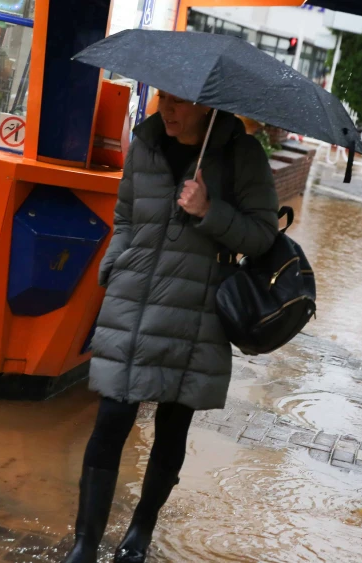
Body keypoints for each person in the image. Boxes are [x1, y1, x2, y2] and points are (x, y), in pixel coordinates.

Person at [63, 92, 279, 563]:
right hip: (133, 298)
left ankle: (140, 529)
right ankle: (85, 544)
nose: (167, 109)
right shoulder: (145, 143)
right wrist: (115, 264)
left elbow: (263, 236)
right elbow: (125, 215)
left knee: (171, 426)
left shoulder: (240, 154)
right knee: (111, 420)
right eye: (164, 97)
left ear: (208, 106)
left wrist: (208, 211)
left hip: (195, 307)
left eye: (180, 102)